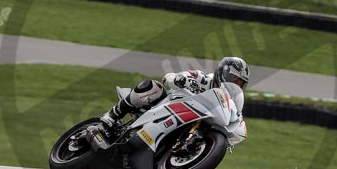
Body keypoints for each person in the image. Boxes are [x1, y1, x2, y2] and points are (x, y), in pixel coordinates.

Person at [100, 56, 250, 137]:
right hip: (166, 107)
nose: (235, 84)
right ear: (223, 72)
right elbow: (169, 77)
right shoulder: (203, 79)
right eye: (234, 79)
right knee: (154, 87)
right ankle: (111, 116)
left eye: (240, 83)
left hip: (189, 121)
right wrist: (180, 79)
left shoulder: (228, 102)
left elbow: (236, 117)